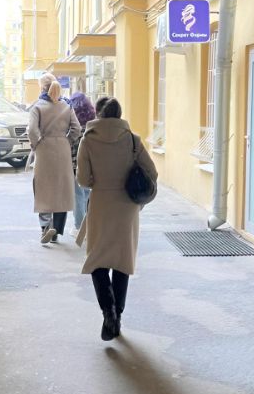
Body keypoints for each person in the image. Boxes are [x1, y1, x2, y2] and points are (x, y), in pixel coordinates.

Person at [76, 97, 158, 340]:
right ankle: (117, 316)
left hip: (101, 204)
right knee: (122, 261)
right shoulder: (132, 140)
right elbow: (152, 172)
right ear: (120, 115)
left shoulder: (88, 140)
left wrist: (99, 180)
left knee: (97, 260)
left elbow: (83, 180)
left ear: (99, 115)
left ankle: (108, 311)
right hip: (127, 207)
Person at [28, 73, 81, 245]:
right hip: (63, 149)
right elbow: (76, 128)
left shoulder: (37, 106)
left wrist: (37, 143)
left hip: (44, 149)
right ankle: (57, 230)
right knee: (61, 188)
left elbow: (32, 130)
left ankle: (45, 227)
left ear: (42, 87)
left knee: (43, 187)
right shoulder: (67, 105)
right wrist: (67, 141)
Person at [67, 91, 96, 231]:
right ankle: (89, 224)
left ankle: (79, 227)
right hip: (91, 164)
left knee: (78, 195)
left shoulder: (72, 124)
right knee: (88, 194)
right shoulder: (93, 123)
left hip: (75, 164)